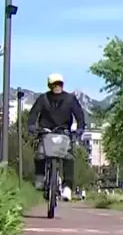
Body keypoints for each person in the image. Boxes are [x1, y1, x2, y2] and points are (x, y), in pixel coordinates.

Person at [27, 73, 87, 201]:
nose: (57, 87)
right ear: (50, 86)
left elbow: (80, 116)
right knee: (40, 153)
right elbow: (33, 114)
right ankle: (40, 177)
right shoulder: (43, 99)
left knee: (68, 157)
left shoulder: (70, 99)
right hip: (46, 132)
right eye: (55, 84)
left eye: (59, 84)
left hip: (64, 133)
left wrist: (80, 128)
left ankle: (67, 187)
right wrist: (32, 126)